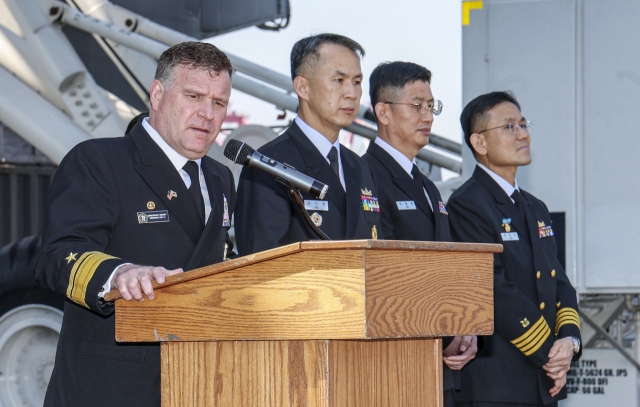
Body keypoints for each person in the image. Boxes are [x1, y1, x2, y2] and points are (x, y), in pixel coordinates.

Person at [34, 41, 236, 407]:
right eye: (193, 96)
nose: (207, 114)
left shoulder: (222, 178)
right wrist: (119, 273)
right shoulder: (99, 161)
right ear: (157, 94)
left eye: (218, 103)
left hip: (198, 382)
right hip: (111, 388)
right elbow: (55, 255)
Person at [447, 91, 581, 407]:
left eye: (523, 125)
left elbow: (558, 282)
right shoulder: (467, 205)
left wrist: (568, 341)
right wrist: (548, 352)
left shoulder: (536, 208)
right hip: (498, 385)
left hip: (543, 379)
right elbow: (495, 289)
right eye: (509, 127)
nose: (523, 134)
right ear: (479, 143)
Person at [362, 61, 478, 407]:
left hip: (437, 362)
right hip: (394, 365)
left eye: (431, 106)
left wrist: (465, 326)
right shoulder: (364, 176)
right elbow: (384, 272)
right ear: (383, 112)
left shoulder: (427, 186)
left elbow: (447, 265)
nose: (427, 116)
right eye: (416, 106)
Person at [235, 33, 381, 254]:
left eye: (357, 82)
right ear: (303, 87)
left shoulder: (361, 168)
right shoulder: (267, 166)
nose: (352, 93)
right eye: (339, 80)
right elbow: (262, 270)